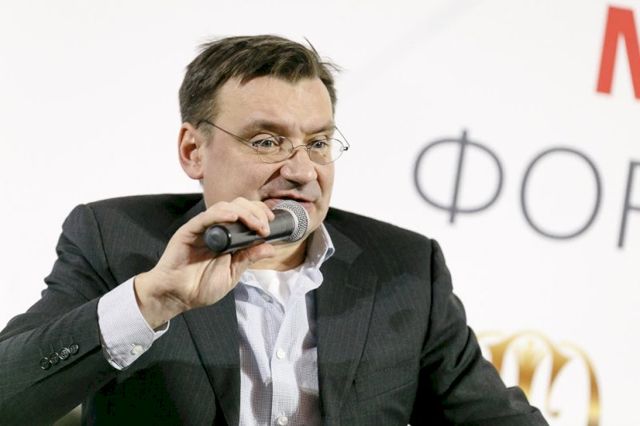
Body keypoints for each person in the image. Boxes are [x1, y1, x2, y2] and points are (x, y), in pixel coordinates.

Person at [0, 35, 547, 425]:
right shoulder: (115, 240)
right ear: (193, 151)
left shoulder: (403, 267)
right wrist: (151, 301)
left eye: (318, 143)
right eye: (267, 142)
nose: (303, 170)